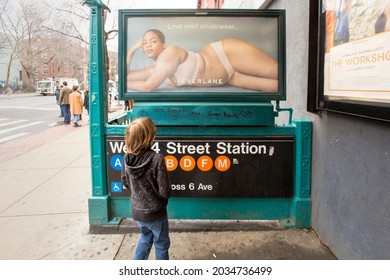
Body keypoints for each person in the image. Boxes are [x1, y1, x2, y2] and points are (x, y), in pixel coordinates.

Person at [127, 29, 278, 93]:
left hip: (226, 53)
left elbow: (148, 86)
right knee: (277, 86)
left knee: (279, 73)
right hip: (229, 78)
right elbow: (126, 77)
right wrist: (131, 51)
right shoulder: (157, 69)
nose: (147, 45)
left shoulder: (169, 54)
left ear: (163, 44)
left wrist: (123, 84)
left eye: (153, 41)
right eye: (144, 43)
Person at [121, 117, 172, 260]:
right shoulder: (157, 159)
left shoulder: (126, 158)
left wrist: (138, 194)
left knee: (145, 238)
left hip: (137, 211)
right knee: (161, 244)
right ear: (149, 138)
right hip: (156, 213)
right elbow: (165, 191)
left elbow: (125, 181)